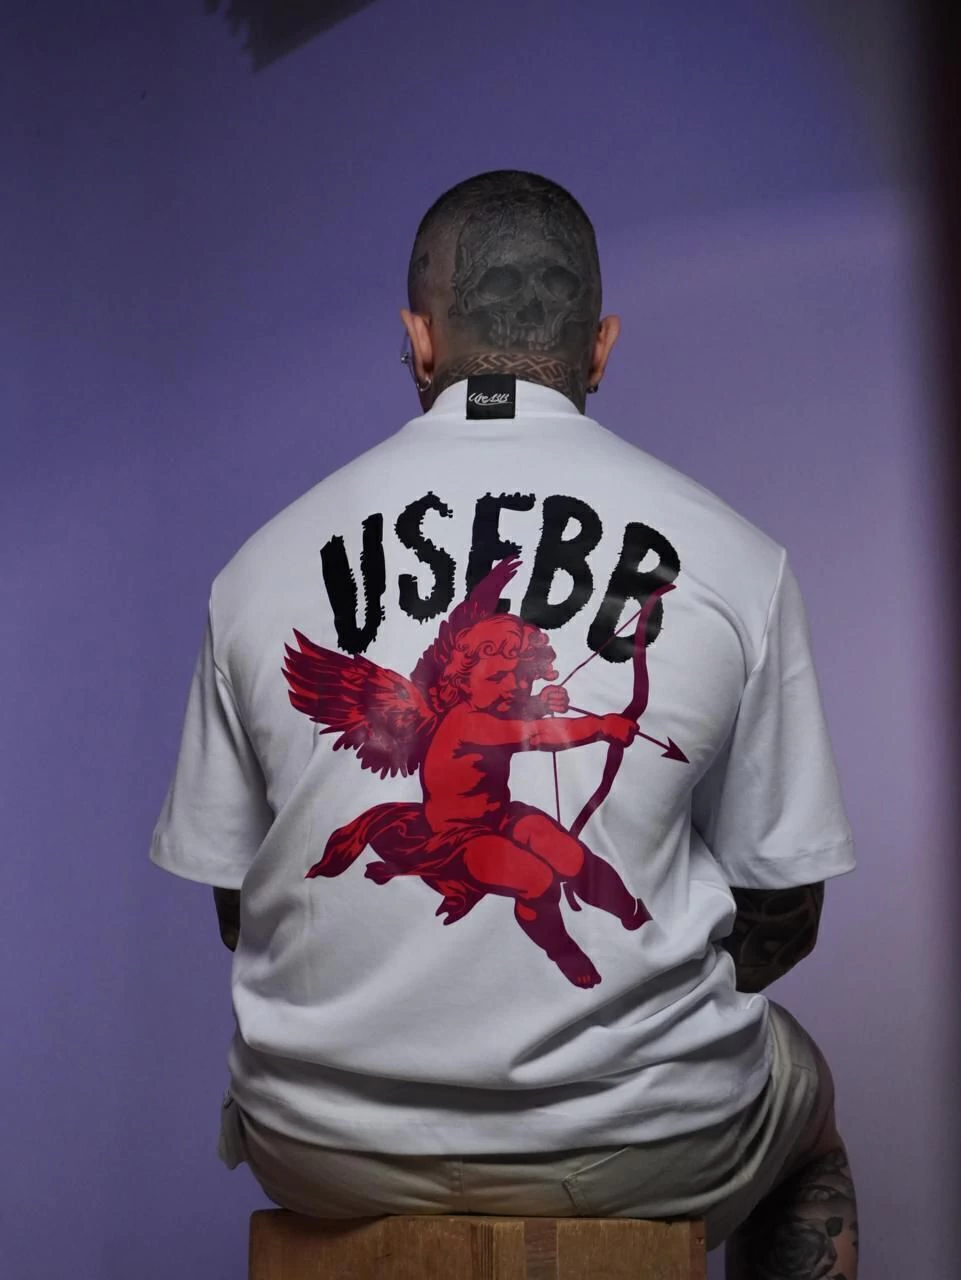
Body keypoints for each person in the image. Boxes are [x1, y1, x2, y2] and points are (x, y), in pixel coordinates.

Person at [151, 170, 858, 1278]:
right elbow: (783, 919)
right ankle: (580, 961)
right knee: (807, 1119)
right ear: (600, 347)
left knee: (561, 860)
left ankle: (587, 932)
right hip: (629, 1145)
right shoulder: (738, 557)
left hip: (321, 1146)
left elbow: (240, 910)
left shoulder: (254, 568)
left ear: (419, 340)